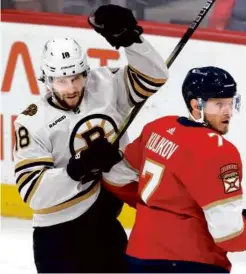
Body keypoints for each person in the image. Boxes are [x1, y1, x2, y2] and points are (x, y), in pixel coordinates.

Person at [13, 4, 168, 273]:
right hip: (58, 238)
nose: (72, 88)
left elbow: (155, 77)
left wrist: (132, 40)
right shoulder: (31, 122)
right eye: (62, 81)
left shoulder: (104, 84)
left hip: (104, 223)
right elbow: (34, 194)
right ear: (46, 80)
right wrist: (78, 168)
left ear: (86, 72)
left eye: (76, 77)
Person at [102, 66, 246, 273]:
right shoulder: (219, 150)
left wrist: (157, 209)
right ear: (196, 105)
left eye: (230, 102)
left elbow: (115, 178)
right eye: (218, 104)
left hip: (139, 256)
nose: (227, 111)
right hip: (193, 263)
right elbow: (229, 235)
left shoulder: (158, 129)